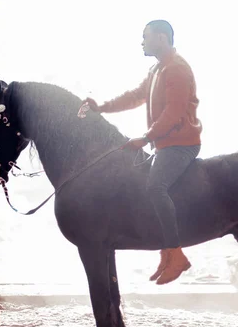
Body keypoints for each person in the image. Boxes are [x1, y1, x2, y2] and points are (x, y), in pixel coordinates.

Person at [85, 20, 202, 285]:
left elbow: (173, 113)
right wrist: (102, 107)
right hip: (165, 144)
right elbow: (136, 96)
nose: (142, 42)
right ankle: (166, 252)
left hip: (181, 145)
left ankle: (176, 253)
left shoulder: (177, 69)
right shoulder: (157, 69)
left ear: (161, 38)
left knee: (155, 188)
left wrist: (146, 137)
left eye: (145, 37)